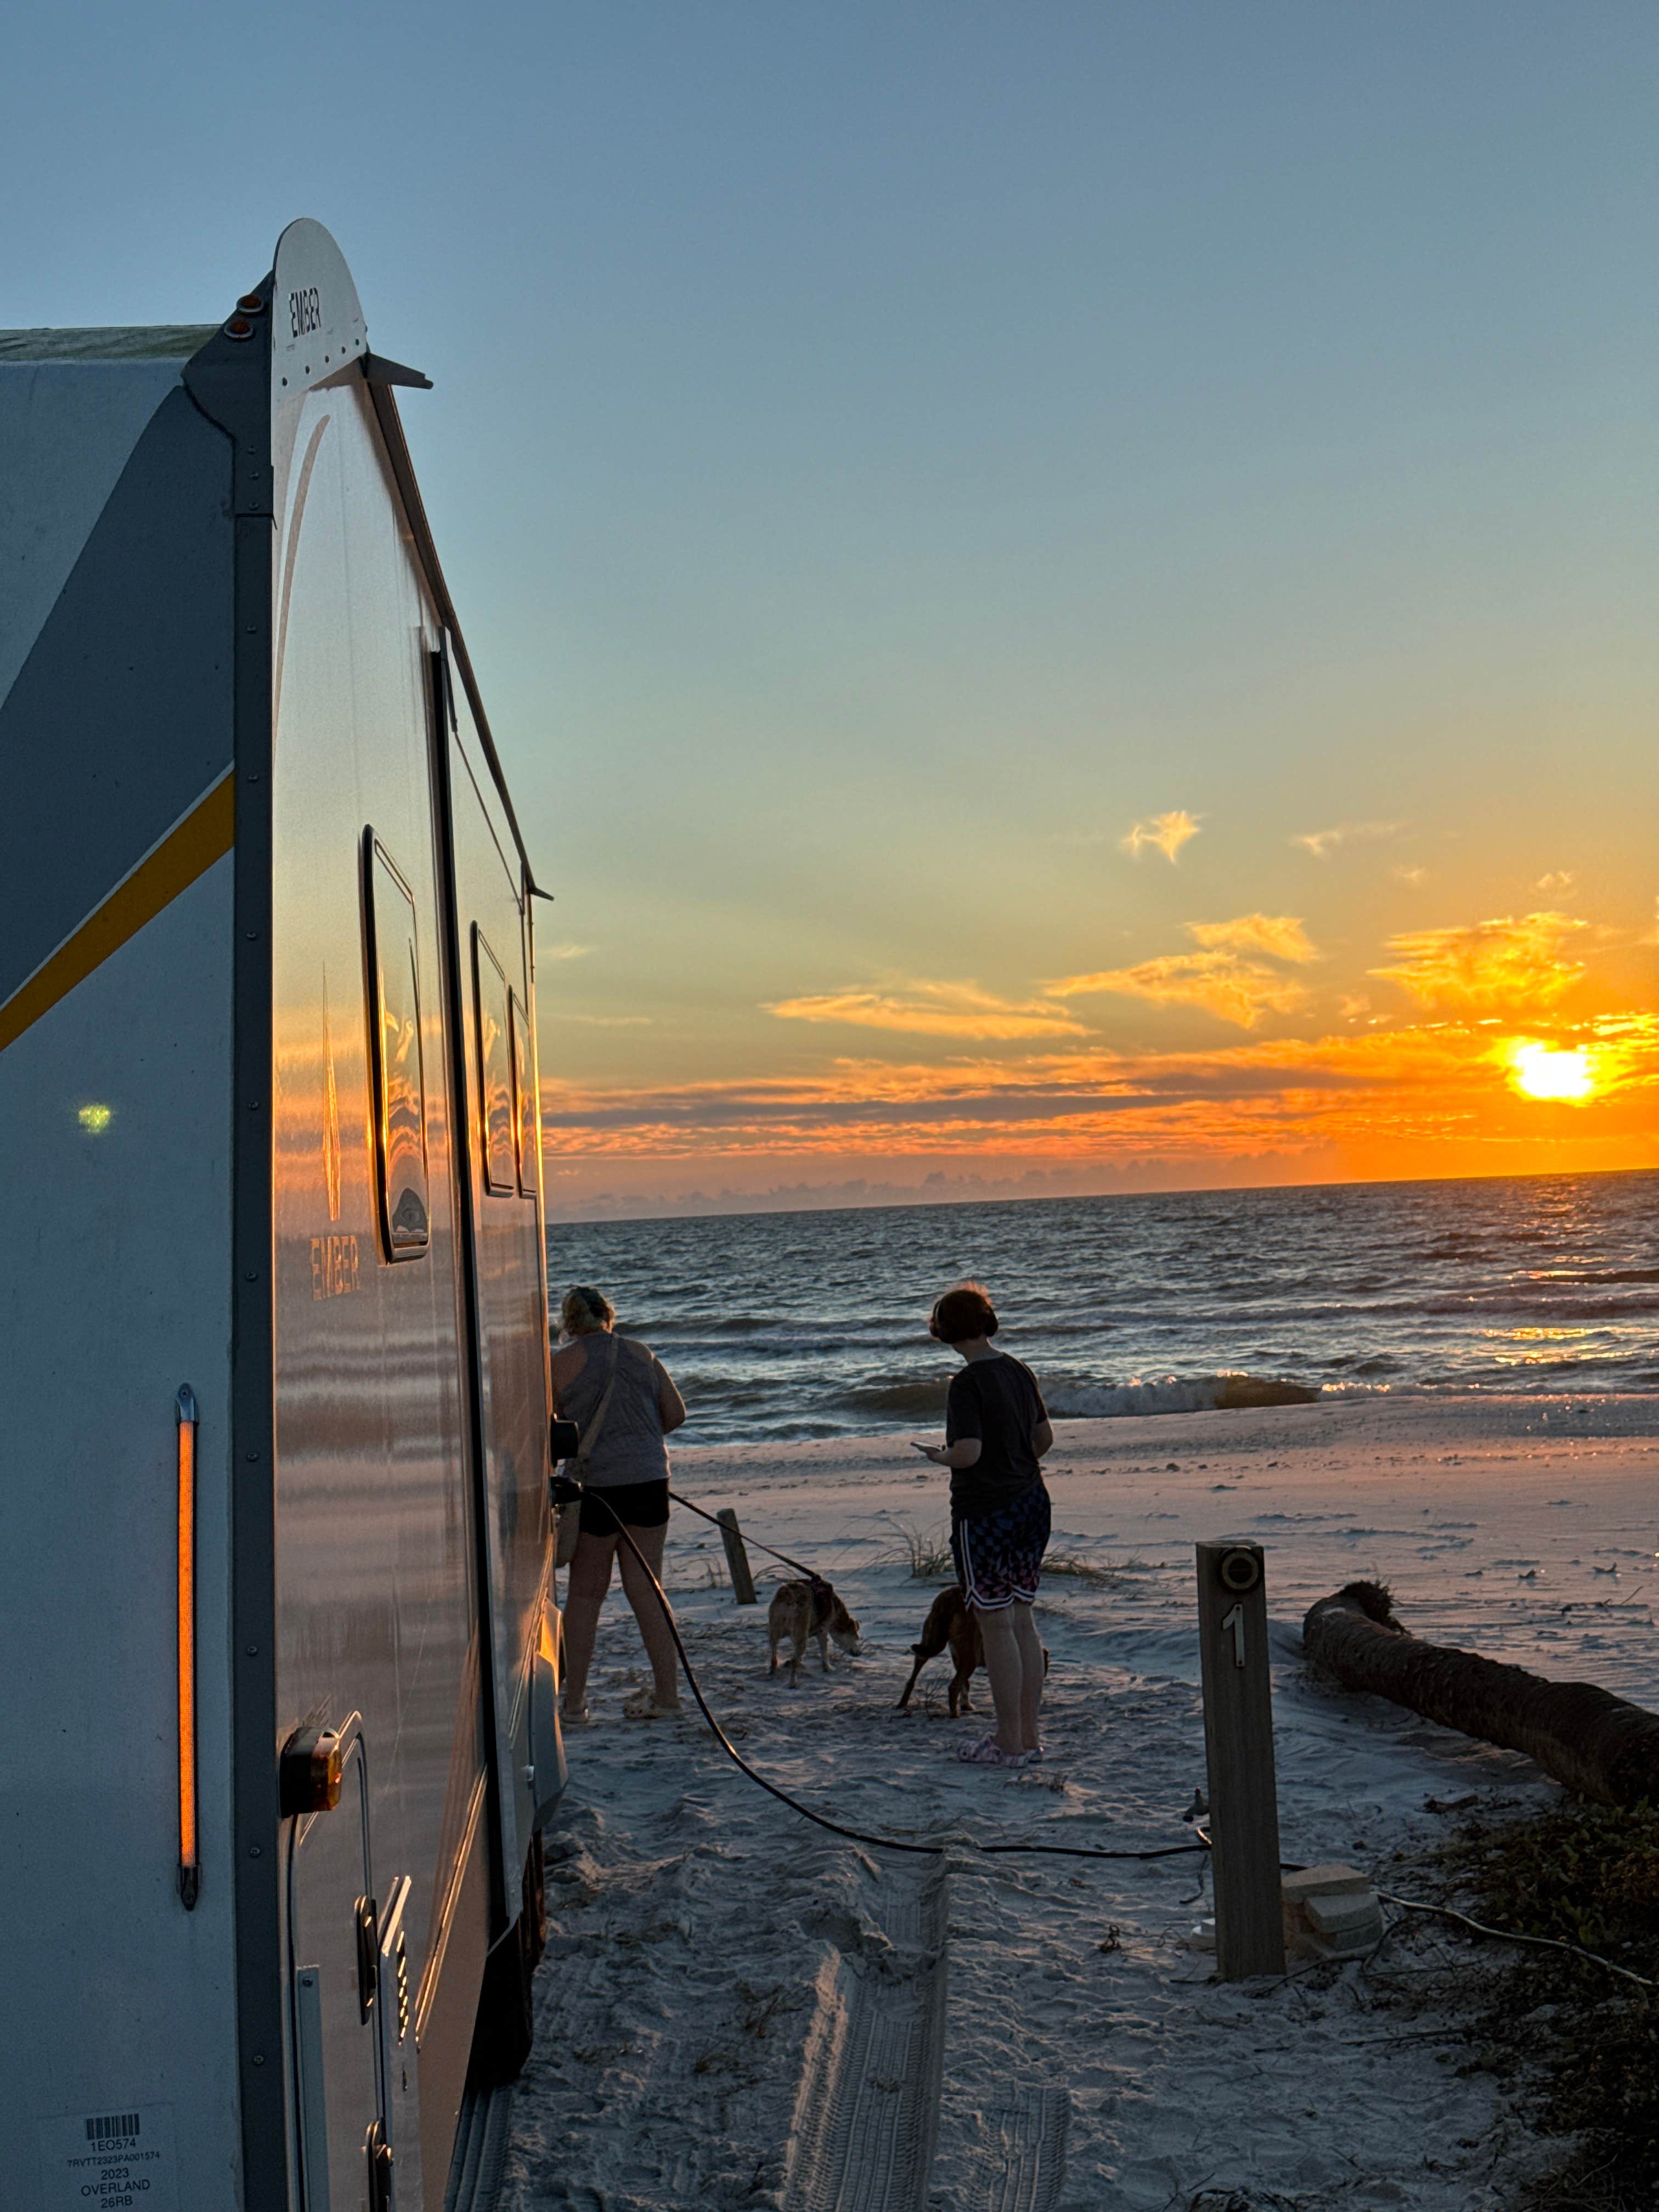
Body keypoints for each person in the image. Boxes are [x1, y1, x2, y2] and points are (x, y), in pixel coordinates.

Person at [915, 1280, 1053, 1767]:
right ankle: (1030, 1737)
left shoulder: (966, 1384)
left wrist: (940, 1456)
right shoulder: (1018, 1370)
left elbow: (968, 1454)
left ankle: (1009, 1742)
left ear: (946, 1332)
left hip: (985, 1514)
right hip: (1032, 1503)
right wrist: (1011, 1460)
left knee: (995, 1626)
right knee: (1022, 1619)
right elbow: (1043, 1440)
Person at [554, 1284, 688, 1724]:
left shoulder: (561, 1364)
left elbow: (549, 1433)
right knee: (648, 1591)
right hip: (650, 1480)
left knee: (586, 1596)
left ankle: (574, 1705)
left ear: (570, 1323)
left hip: (595, 1488)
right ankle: (668, 1698)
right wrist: (636, 1441)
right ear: (608, 1316)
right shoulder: (642, 1354)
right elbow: (675, 1415)